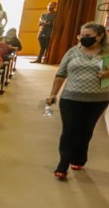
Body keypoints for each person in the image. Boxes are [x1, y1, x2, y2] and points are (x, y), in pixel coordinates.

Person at [45, 22, 109, 179]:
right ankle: (63, 164)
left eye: (88, 36)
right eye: (82, 35)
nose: (83, 39)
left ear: (99, 36)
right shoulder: (73, 52)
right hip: (71, 98)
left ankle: (79, 158)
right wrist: (53, 93)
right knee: (70, 131)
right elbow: (61, 73)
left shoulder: (107, 53)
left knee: (86, 130)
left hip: (98, 99)